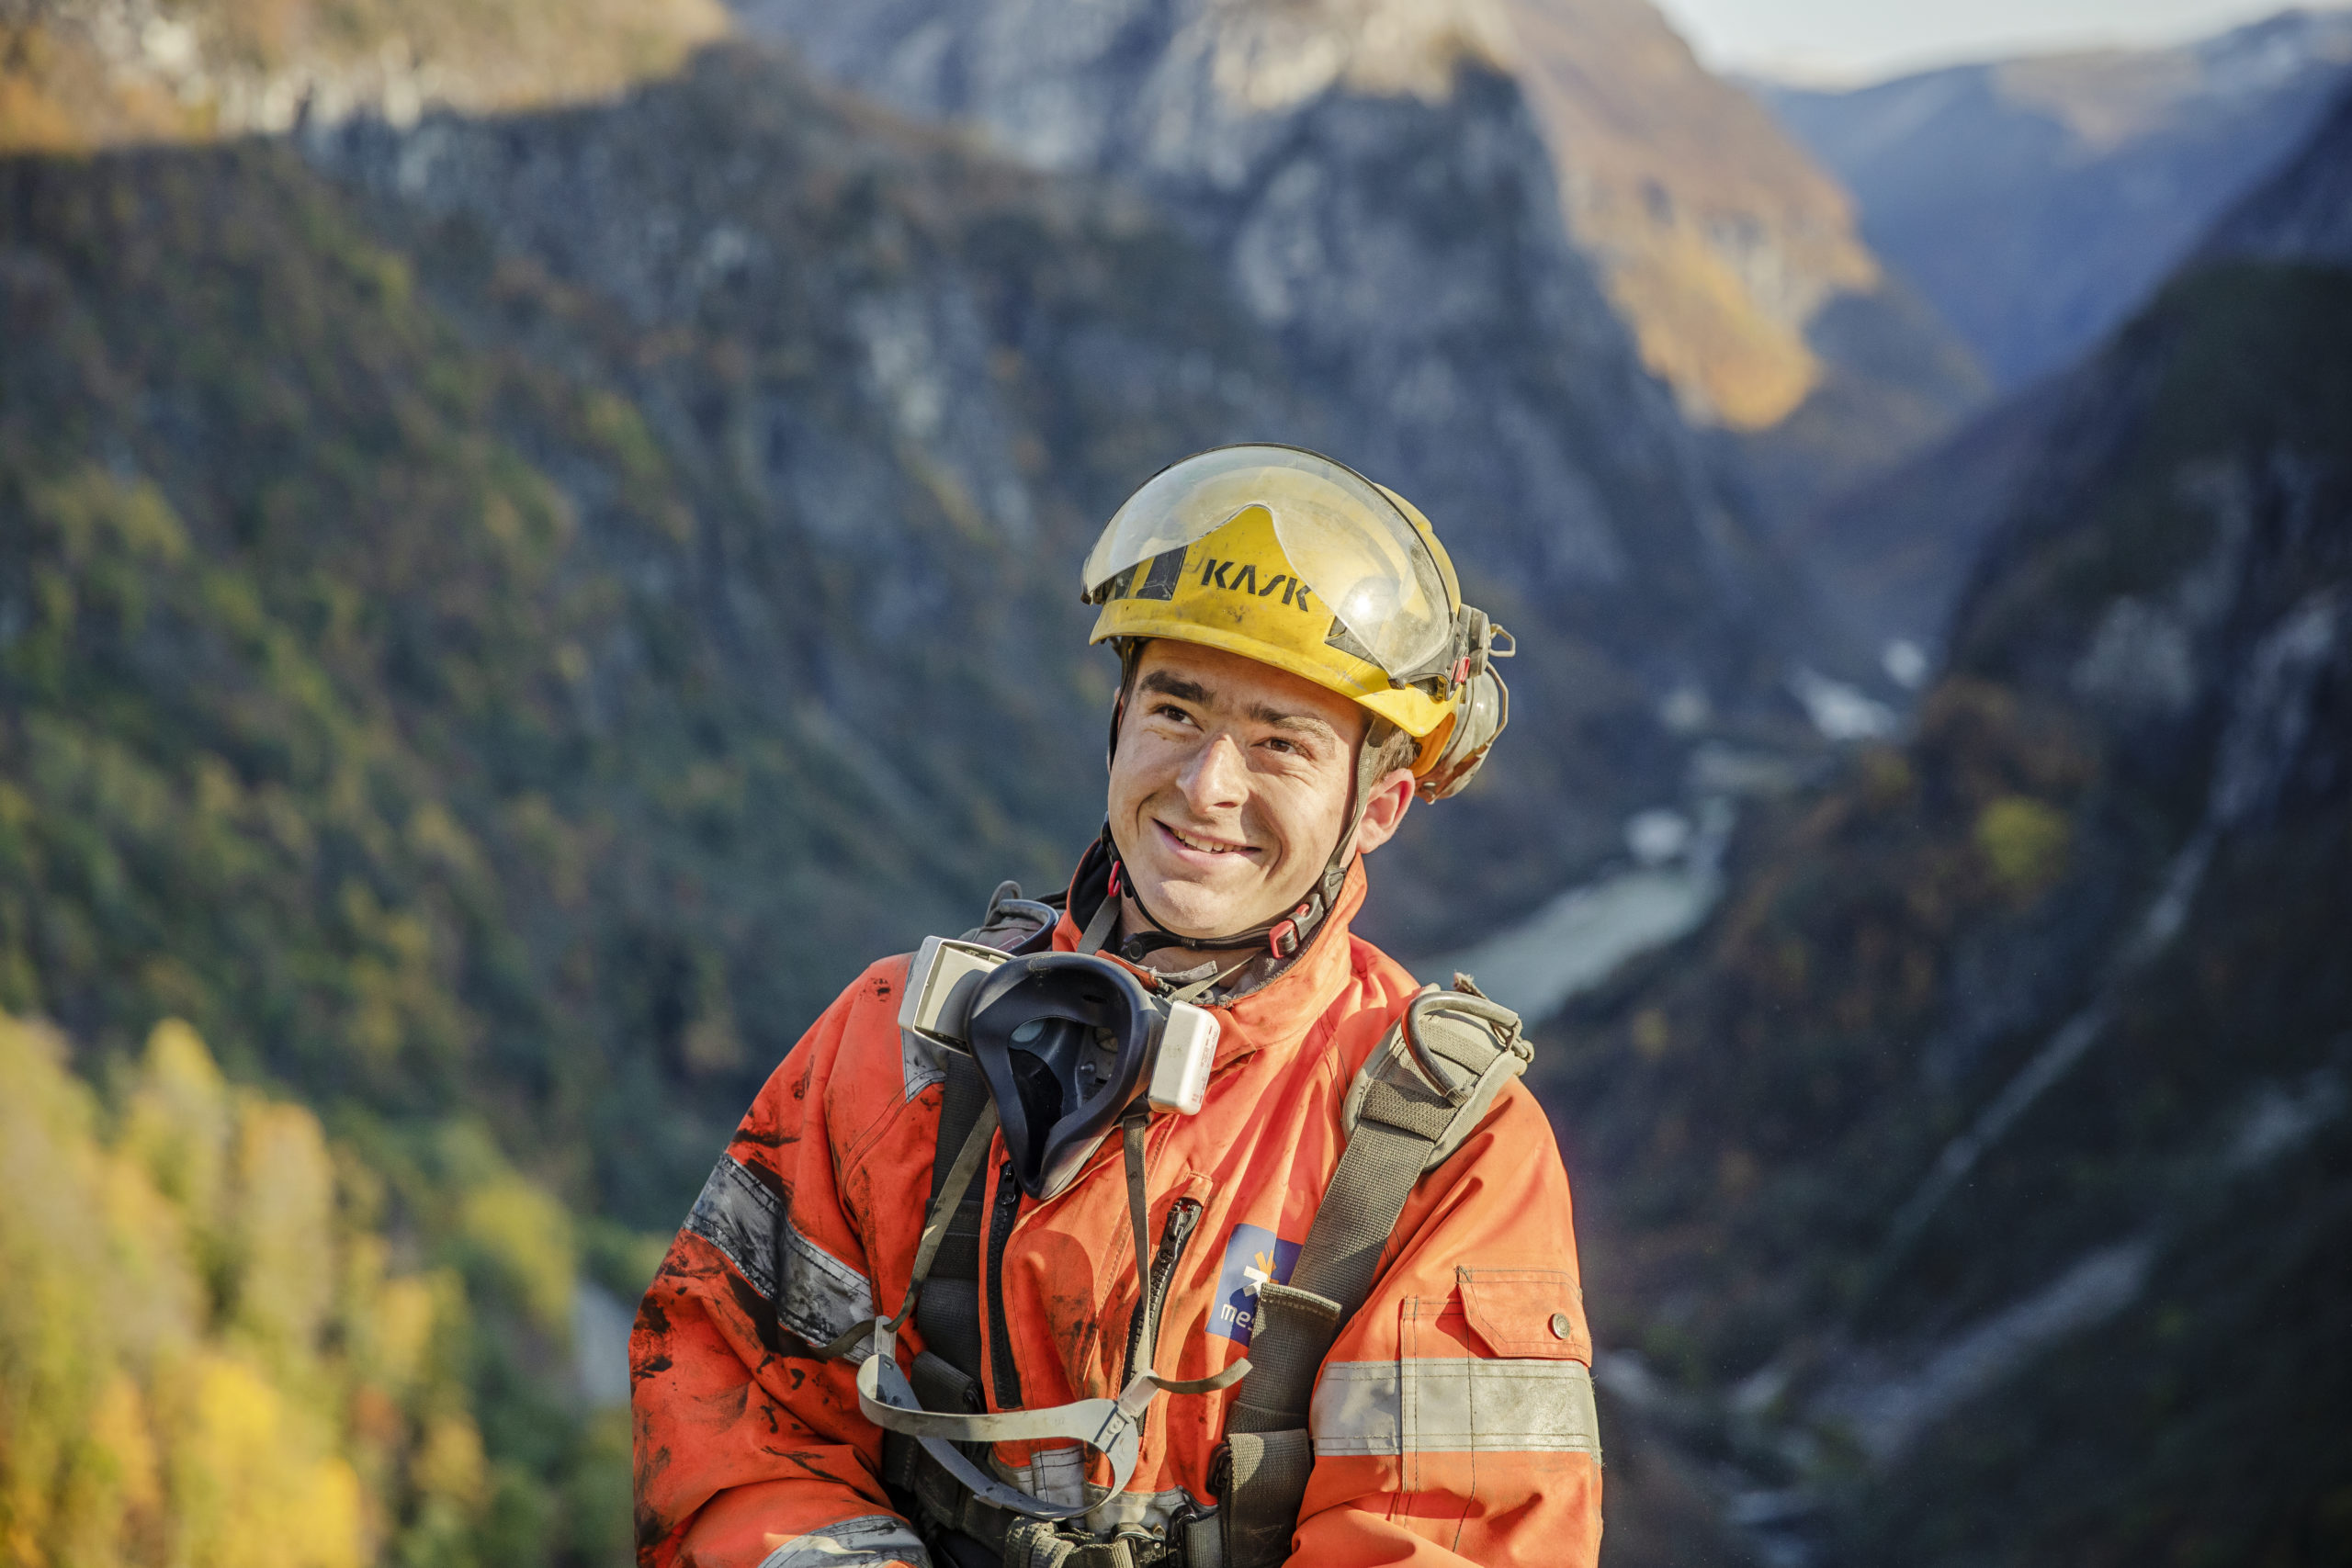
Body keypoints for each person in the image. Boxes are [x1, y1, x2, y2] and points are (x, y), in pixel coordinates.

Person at [631, 446, 1600, 1568]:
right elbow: (732, 1421)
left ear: (1375, 806)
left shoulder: (1442, 1154)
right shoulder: (899, 1043)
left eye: (1282, 744)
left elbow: (1452, 1543)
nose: (1206, 787)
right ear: (1119, 719)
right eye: (1177, 711)